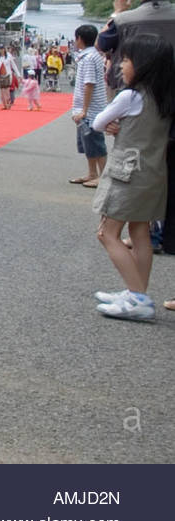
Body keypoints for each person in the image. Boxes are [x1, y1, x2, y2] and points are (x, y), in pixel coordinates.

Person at [88, 34, 175, 321]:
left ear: (144, 65)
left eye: (126, 60)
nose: (121, 65)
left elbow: (99, 122)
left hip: (127, 173)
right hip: (153, 174)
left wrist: (114, 124)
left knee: (107, 233)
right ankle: (136, 292)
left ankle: (138, 297)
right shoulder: (163, 98)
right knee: (140, 234)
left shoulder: (130, 96)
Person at [97, 0, 175, 255]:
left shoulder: (124, 21)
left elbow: (103, 45)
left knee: (138, 170)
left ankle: (147, 230)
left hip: (138, 109)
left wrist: (117, 12)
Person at [70, 24, 108, 187]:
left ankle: (103, 176)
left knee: (95, 142)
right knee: (87, 143)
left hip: (91, 110)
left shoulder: (90, 58)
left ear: (79, 39)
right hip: (86, 108)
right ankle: (92, 173)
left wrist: (84, 110)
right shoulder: (89, 56)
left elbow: (89, 84)